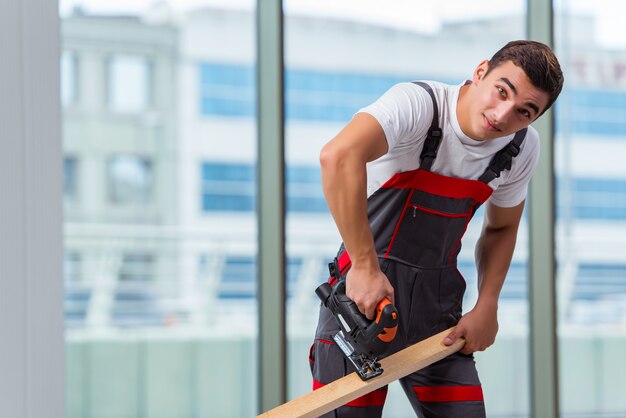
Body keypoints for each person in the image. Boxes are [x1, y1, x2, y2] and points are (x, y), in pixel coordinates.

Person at [309, 40, 564, 418]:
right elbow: (338, 156)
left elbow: (502, 228)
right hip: (364, 309)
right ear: (481, 72)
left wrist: (488, 303)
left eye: (524, 111)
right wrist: (364, 268)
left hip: (438, 317)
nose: (503, 115)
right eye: (501, 91)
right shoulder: (419, 106)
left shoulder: (521, 147)